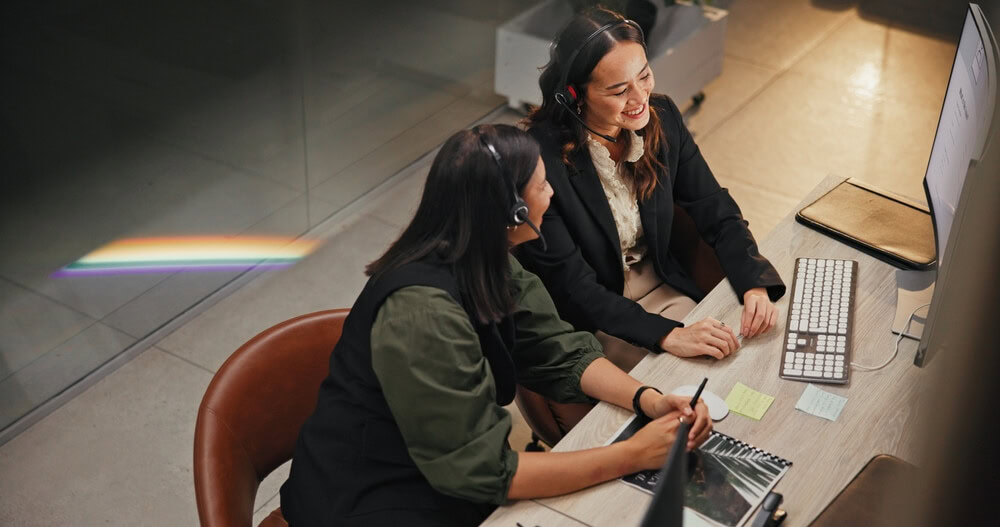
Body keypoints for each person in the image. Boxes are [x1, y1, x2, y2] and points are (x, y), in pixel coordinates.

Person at [278, 124, 712, 526]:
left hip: (442, 474)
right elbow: (485, 473)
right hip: (370, 501)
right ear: (513, 210)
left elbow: (559, 351)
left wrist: (648, 400)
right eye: (542, 185)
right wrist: (631, 454)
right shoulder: (422, 315)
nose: (552, 195)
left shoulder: (485, 256)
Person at [518, 8, 786, 376]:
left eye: (644, 76)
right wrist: (669, 336)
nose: (640, 97)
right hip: (597, 317)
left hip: (663, 282)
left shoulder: (663, 116)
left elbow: (713, 206)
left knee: (747, 363)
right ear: (574, 96)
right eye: (617, 90)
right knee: (693, 382)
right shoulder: (537, 161)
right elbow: (574, 289)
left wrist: (754, 284)